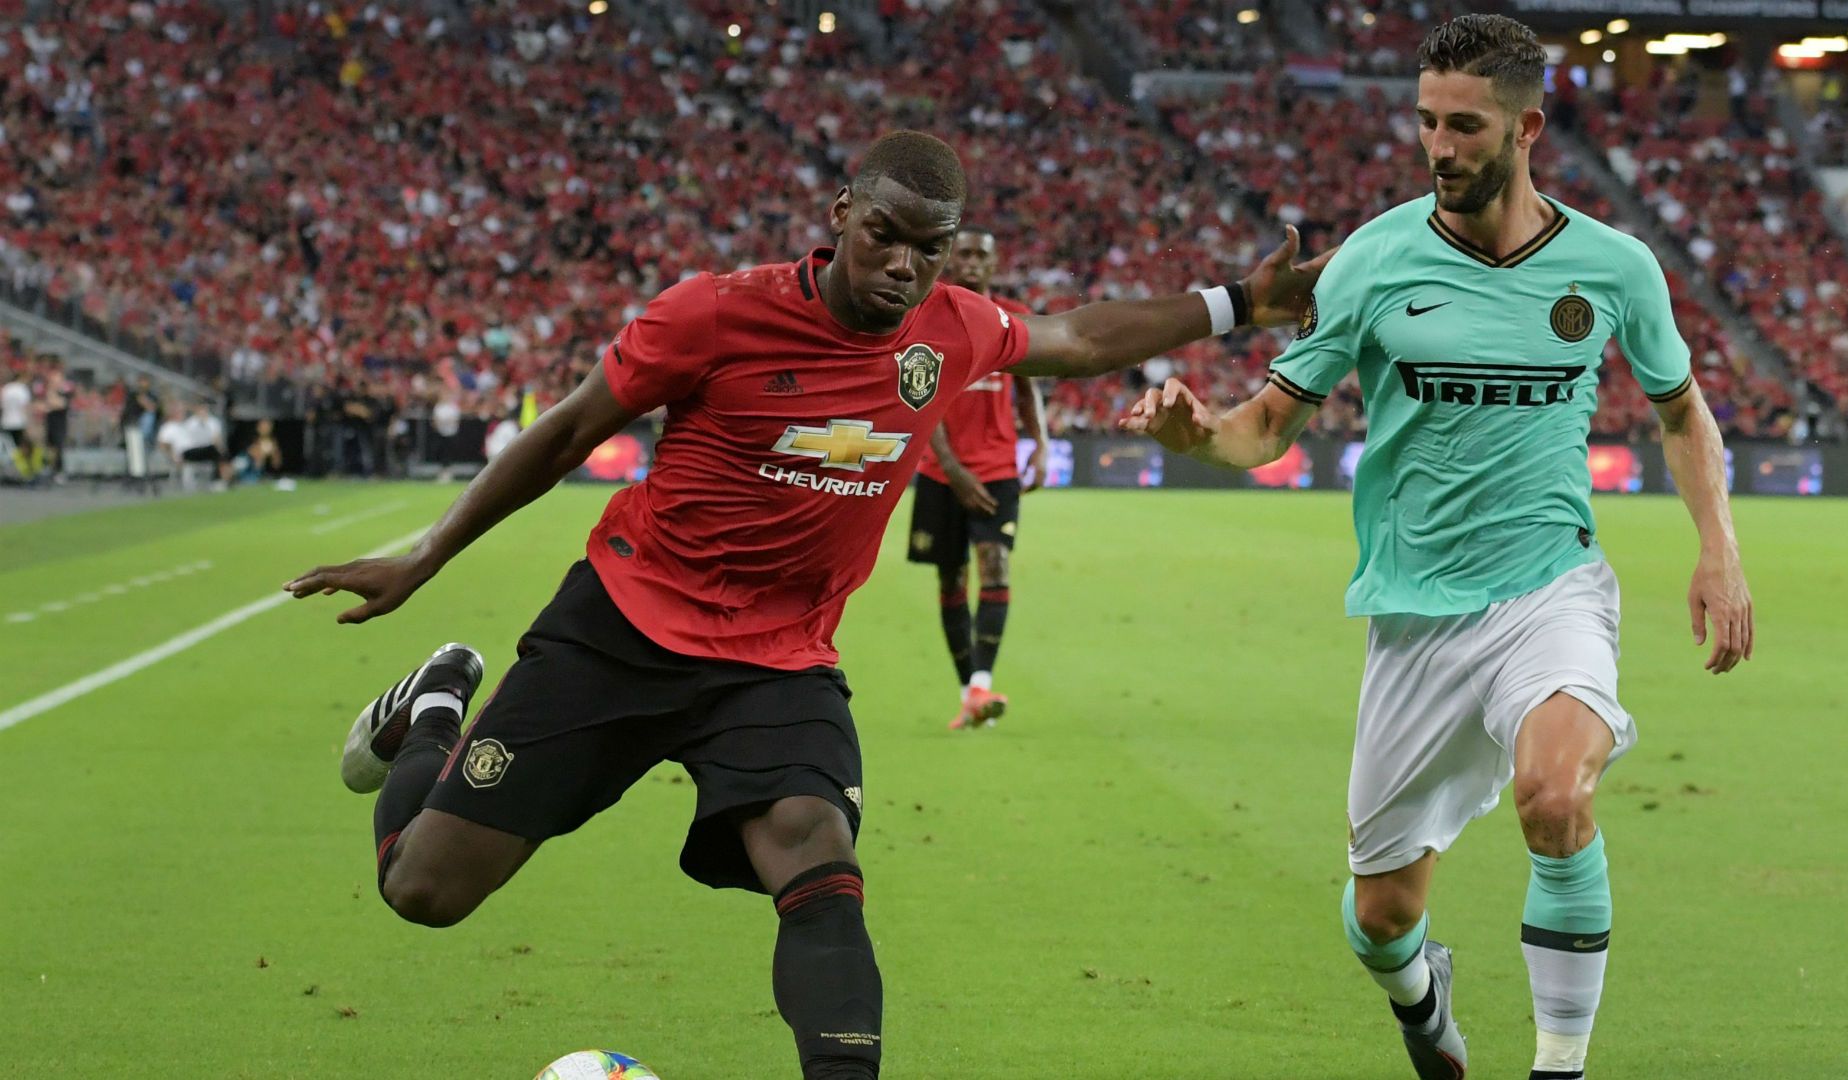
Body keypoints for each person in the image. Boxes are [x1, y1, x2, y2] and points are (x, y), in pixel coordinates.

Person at [285, 130, 1325, 1080]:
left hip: (778, 662)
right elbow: (563, 435)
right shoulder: (711, 313)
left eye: (930, 247)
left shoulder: (950, 330)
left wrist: (1241, 301)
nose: (905, 266)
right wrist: (425, 556)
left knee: (817, 848)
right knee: (424, 892)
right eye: (884, 237)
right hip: (623, 628)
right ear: (839, 217)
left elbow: (1083, 337)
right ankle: (432, 709)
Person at [1123, 18, 1753, 1080]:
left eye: (1466, 125)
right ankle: (1424, 1004)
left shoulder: (1614, 266)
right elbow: (1268, 424)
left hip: (1549, 588)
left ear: (1527, 127)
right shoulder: (1373, 257)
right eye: (1426, 123)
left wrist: (1719, 549)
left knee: (1556, 799)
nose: (1441, 147)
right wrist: (1196, 433)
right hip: (1416, 615)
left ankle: (1560, 1063)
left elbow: (1682, 410)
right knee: (1379, 916)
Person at [903, 227, 1049, 729]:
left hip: (999, 467)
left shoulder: (1011, 317)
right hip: (942, 472)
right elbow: (923, 403)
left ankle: (982, 685)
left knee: (996, 567)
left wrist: (1042, 446)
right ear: (947, 257)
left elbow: (1029, 390)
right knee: (951, 578)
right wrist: (953, 469)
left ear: (993, 263)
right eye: (962, 253)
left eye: (980, 255)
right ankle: (969, 690)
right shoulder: (927, 316)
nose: (970, 262)